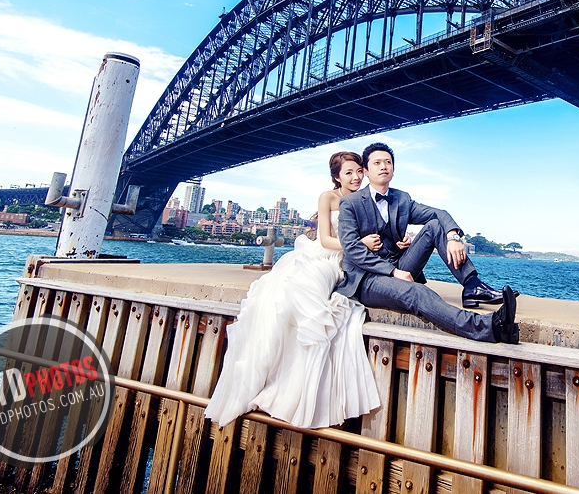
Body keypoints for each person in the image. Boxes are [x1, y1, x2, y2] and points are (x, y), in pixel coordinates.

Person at [205, 152, 382, 428]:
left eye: (359, 171)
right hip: (324, 254)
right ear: (337, 177)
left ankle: (296, 388)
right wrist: (360, 244)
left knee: (308, 298)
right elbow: (325, 239)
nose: (356, 177)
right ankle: (269, 377)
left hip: (343, 261)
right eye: (349, 172)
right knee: (286, 295)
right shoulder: (328, 197)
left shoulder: (366, 199)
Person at [336, 142, 519, 344]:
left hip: (399, 266)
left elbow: (438, 213)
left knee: (435, 225)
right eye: (377, 163)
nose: (383, 167)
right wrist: (393, 272)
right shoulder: (350, 202)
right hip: (366, 278)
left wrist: (453, 237)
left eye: (388, 162)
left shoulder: (401, 198)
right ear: (366, 171)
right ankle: (491, 327)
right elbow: (351, 248)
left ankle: (472, 285)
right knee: (417, 293)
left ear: (394, 169)